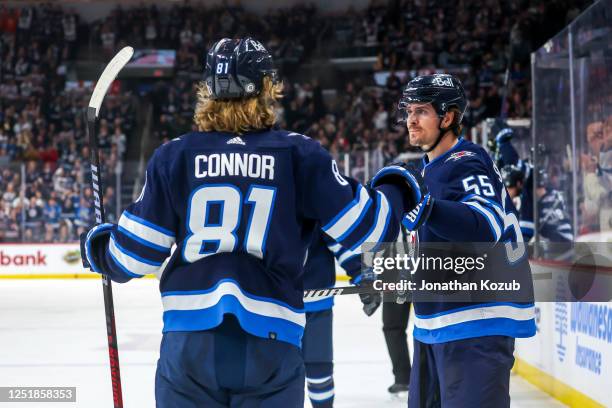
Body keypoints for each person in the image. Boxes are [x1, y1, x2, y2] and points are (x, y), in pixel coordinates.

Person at [81, 37, 420, 408]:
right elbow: (371, 230)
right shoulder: (299, 153)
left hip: (189, 347)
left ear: (207, 90)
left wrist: (100, 247)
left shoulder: (173, 156)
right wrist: (397, 186)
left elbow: (133, 257)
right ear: (266, 89)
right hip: (271, 346)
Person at [395, 74, 536, 407]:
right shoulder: (430, 169)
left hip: (474, 323)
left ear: (448, 117)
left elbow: (485, 226)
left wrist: (427, 209)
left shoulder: (467, 162)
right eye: (409, 111)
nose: (411, 120)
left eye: (422, 112)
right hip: (438, 322)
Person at [493, 123, 573, 242]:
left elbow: (513, 162)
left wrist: (504, 142)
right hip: (559, 245)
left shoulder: (533, 186)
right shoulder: (536, 192)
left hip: (560, 247)